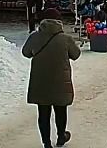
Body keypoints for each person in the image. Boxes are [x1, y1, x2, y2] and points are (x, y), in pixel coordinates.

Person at [22, 8, 82, 148]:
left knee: (43, 113)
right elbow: (76, 54)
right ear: (59, 22)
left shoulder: (34, 37)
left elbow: (26, 53)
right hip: (60, 82)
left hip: (40, 82)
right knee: (60, 110)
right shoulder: (66, 39)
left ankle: (46, 143)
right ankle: (61, 136)